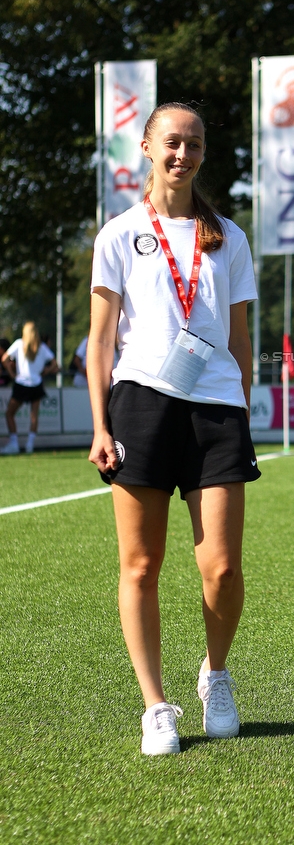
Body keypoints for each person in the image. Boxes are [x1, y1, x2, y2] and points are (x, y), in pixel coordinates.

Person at [87, 102, 260, 756]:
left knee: (221, 569)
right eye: (172, 143)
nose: (182, 154)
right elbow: (100, 341)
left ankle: (216, 675)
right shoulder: (119, 234)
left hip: (216, 410)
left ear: (203, 153)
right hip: (141, 406)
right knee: (141, 565)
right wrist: (100, 425)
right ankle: (155, 705)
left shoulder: (229, 238)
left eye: (193, 144)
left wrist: (241, 411)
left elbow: (240, 338)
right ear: (147, 147)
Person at [1, 322, 58, 455]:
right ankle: (29, 445)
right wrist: (46, 371)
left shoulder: (19, 343)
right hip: (36, 384)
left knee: (9, 414)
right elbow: (54, 363)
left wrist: (12, 374)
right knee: (34, 416)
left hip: (21, 383)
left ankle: (14, 444)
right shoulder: (42, 347)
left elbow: (4, 359)